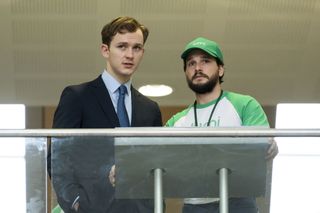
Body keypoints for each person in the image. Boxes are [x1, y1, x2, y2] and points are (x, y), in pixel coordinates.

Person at [49, 16, 162, 213]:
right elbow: (58, 160)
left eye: (137, 48)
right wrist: (77, 204)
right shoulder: (77, 97)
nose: (130, 55)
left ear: (143, 52)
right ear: (105, 50)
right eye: (122, 46)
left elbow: (155, 165)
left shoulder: (150, 108)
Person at [165, 37, 278, 213]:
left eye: (206, 61)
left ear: (220, 69)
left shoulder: (244, 104)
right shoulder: (176, 121)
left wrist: (269, 145)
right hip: (194, 205)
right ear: (186, 72)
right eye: (191, 63)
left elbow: (261, 147)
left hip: (239, 201)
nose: (198, 68)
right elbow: (154, 157)